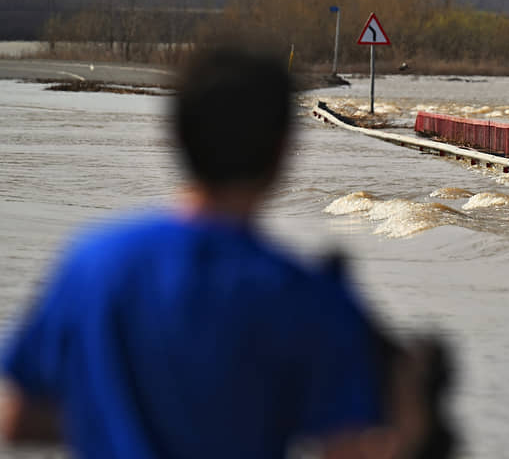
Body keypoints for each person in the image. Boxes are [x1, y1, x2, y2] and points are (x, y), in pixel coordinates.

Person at [0, 46, 444, 458]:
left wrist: (117, 414)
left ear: (176, 136)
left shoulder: (93, 265)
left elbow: (15, 418)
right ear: (282, 153)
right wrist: (410, 408)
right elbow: (350, 447)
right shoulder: (308, 298)